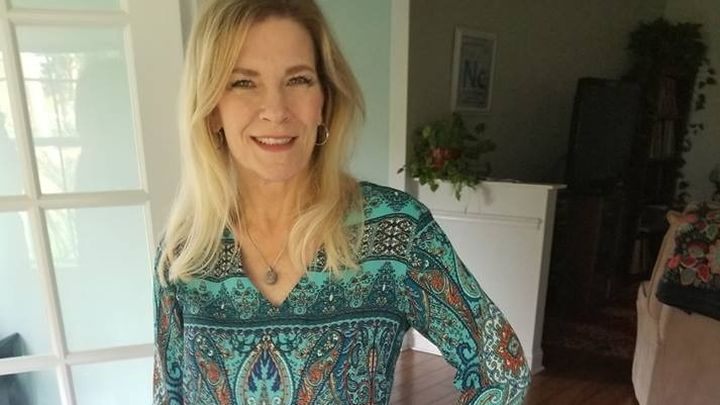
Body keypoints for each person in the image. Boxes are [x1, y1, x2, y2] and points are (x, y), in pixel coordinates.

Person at [152, 0, 531, 404]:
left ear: (326, 101)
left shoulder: (395, 232)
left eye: (298, 79)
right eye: (243, 82)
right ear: (211, 109)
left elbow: (502, 372)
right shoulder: (185, 252)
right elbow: (168, 394)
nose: (276, 110)